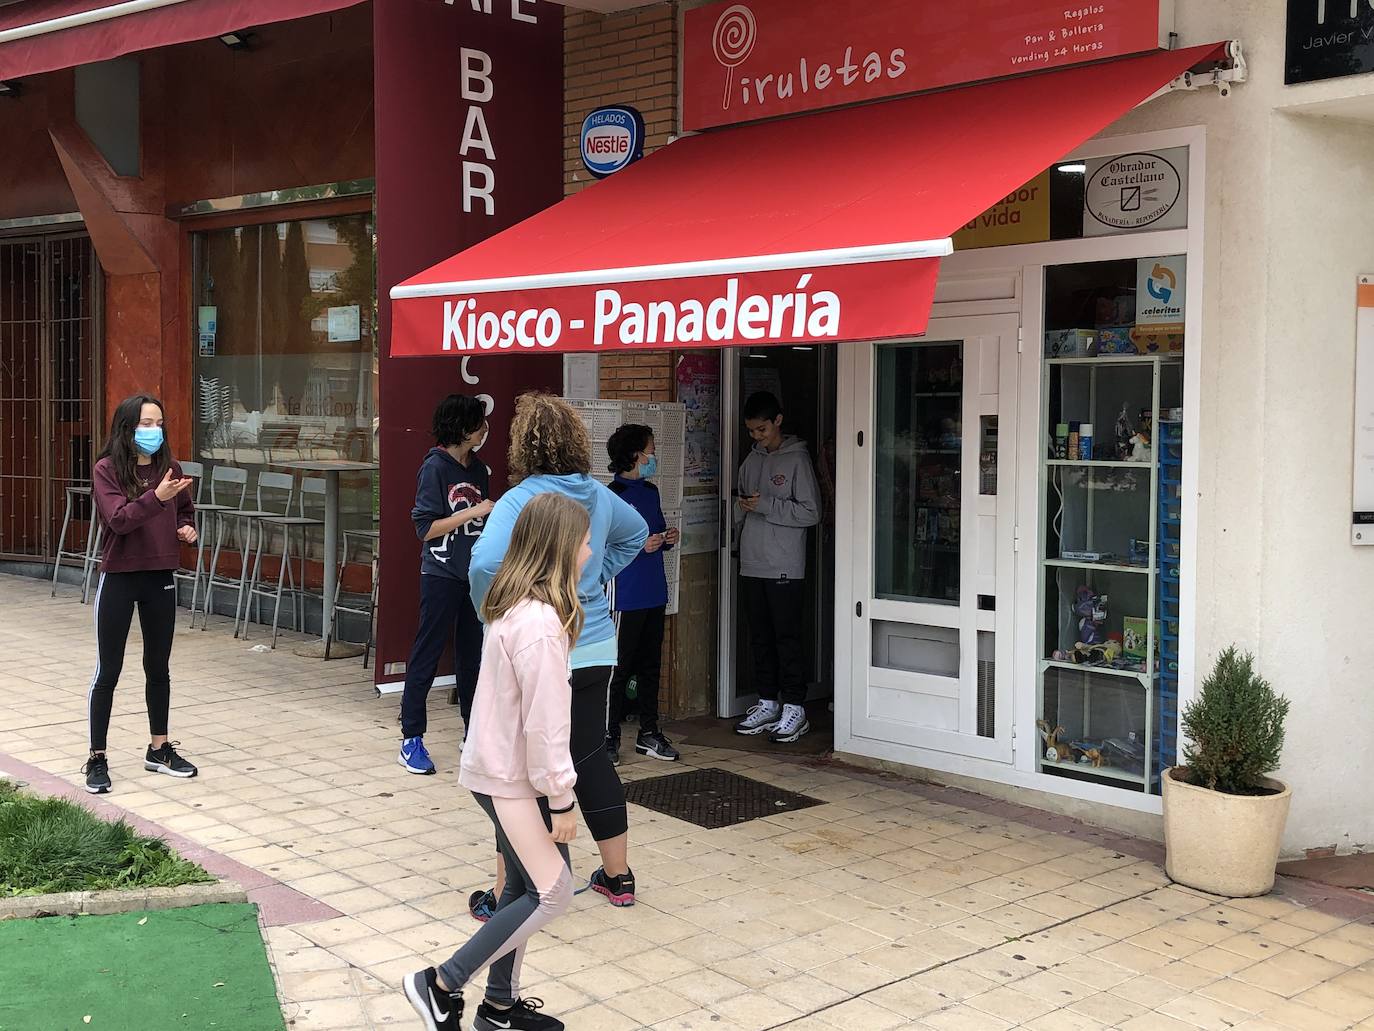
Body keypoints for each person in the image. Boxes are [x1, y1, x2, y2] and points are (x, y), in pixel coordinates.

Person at [404, 492, 589, 1031]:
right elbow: (546, 725)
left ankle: (500, 1007)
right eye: (582, 541)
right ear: (558, 550)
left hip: (500, 770)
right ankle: (439, 984)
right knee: (553, 892)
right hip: (511, 777)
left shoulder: (522, 611)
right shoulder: (540, 626)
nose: (589, 550)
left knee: (523, 889)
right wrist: (562, 800)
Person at [466, 394, 647, 919]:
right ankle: (619, 877)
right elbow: (635, 535)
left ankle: (506, 896)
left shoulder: (519, 499)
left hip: (538, 647)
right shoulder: (597, 493)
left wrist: (497, 611)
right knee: (589, 755)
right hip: (593, 644)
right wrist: (592, 579)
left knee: (520, 772)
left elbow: (482, 565)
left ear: (523, 444)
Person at [84, 395, 199, 794]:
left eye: (159, 423)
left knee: (159, 666)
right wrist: (157, 498)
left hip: (160, 575)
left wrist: (186, 528)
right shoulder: (107, 470)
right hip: (120, 576)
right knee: (108, 671)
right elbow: (118, 519)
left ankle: (160, 748)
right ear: (127, 427)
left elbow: (185, 510)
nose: (154, 431)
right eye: (145, 423)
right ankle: (97, 757)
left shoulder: (171, 469)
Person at [398, 394, 494, 775]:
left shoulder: (480, 470)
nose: (486, 429)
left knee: (473, 657)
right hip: (440, 574)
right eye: (480, 424)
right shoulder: (434, 468)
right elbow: (425, 528)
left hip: (475, 576)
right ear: (466, 429)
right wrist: (474, 511)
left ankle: (474, 734)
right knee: (428, 651)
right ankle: (411, 739)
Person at [733, 391, 821, 744]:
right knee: (760, 637)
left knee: (787, 638)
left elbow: (811, 513)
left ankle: (795, 707)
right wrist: (743, 509)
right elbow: (740, 502)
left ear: (778, 421)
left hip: (785, 564)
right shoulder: (750, 460)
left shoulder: (797, 460)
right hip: (752, 560)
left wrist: (766, 505)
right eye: (752, 431)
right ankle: (767, 701)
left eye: (762, 429)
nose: (757, 436)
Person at [604, 423, 680, 765]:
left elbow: (656, 531)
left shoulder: (651, 491)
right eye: (650, 450)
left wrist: (667, 538)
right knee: (617, 668)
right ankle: (608, 736)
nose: (653, 456)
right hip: (625, 593)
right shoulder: (610, 496)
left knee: (651, 665)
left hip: (654, 590)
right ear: (636, 454)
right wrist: (639, 546)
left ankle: (649, 732)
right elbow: (602, 546)